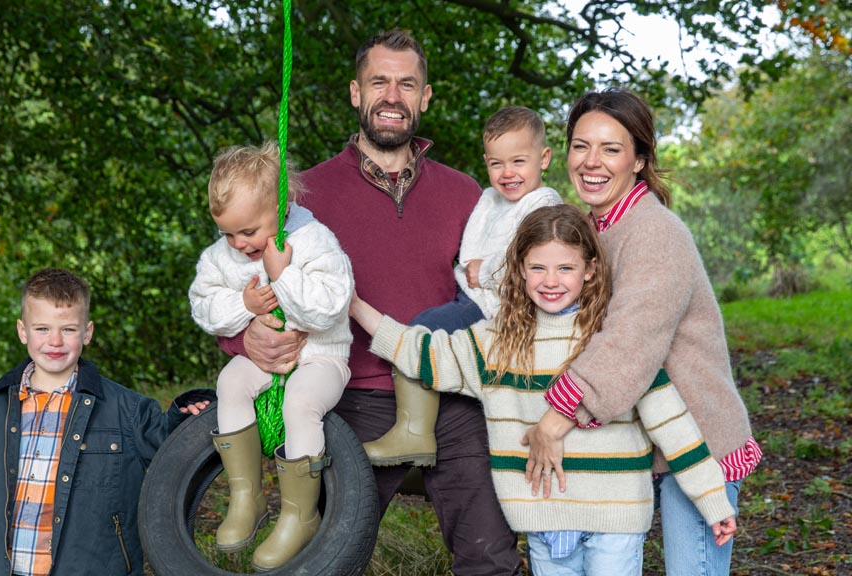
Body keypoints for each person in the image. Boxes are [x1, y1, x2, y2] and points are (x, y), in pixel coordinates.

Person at [219, 29, 523, 574]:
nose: (392, 96)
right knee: (322, 560)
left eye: (407, 84)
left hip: (452, 394)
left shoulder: (468, 195)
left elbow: (500, 291)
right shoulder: (301, 195)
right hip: (349, 393)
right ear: (356, 93)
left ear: (425, 97)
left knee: (491, 556)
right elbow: (237, 275)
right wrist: (245, 338)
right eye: (379, 82)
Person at [349, 204, 738, 575]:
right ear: (521, 269)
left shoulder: (612, 346)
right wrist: (354, 306)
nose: (551, 281)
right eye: (538, 268)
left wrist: (712, 500)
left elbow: (671, 422)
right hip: (542, 522)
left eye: (566, 268)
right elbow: (422, 352)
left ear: (590, 270)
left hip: (615, 519)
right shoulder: (497, 343)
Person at [522, 88, 762, 575]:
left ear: (638, 161)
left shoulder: (654, 230)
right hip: (637, 435)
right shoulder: (590, 229)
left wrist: (554, 419)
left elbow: (629, 342)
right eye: (581, 145)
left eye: (611, 149)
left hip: (694, 439)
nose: (591, 161)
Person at [0, 268, 213, 576]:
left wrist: (190, 415)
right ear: (22, 331)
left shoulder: (126, 409)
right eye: (42, 328)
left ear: (87, 332)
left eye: (69, 329)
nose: (55, 341)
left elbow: (171, 447)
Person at [363, 105, 562, 467]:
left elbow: (534, 262)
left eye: (519, 162)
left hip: (497, 306)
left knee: (421, 331)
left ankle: (415, 432)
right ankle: (421, 428)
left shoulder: (543, 205)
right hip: (472, 296)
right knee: (438, 341)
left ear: (544, 158)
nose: (508, 173)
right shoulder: (492, 199)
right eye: (497, 164)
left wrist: (483, 273)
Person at [188, 141, 353, 571]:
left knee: (301, 401)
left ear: (281, 207)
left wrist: (283, 275)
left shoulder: (314, 241)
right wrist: (243, 305)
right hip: (263, 360)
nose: (239, 244)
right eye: (228, 233)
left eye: (248, 231)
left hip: (320, 357)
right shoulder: (222, 256)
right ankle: (247, 496)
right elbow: (203, 306)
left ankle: (300, 515)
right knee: (230, 382)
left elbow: (330, 307)